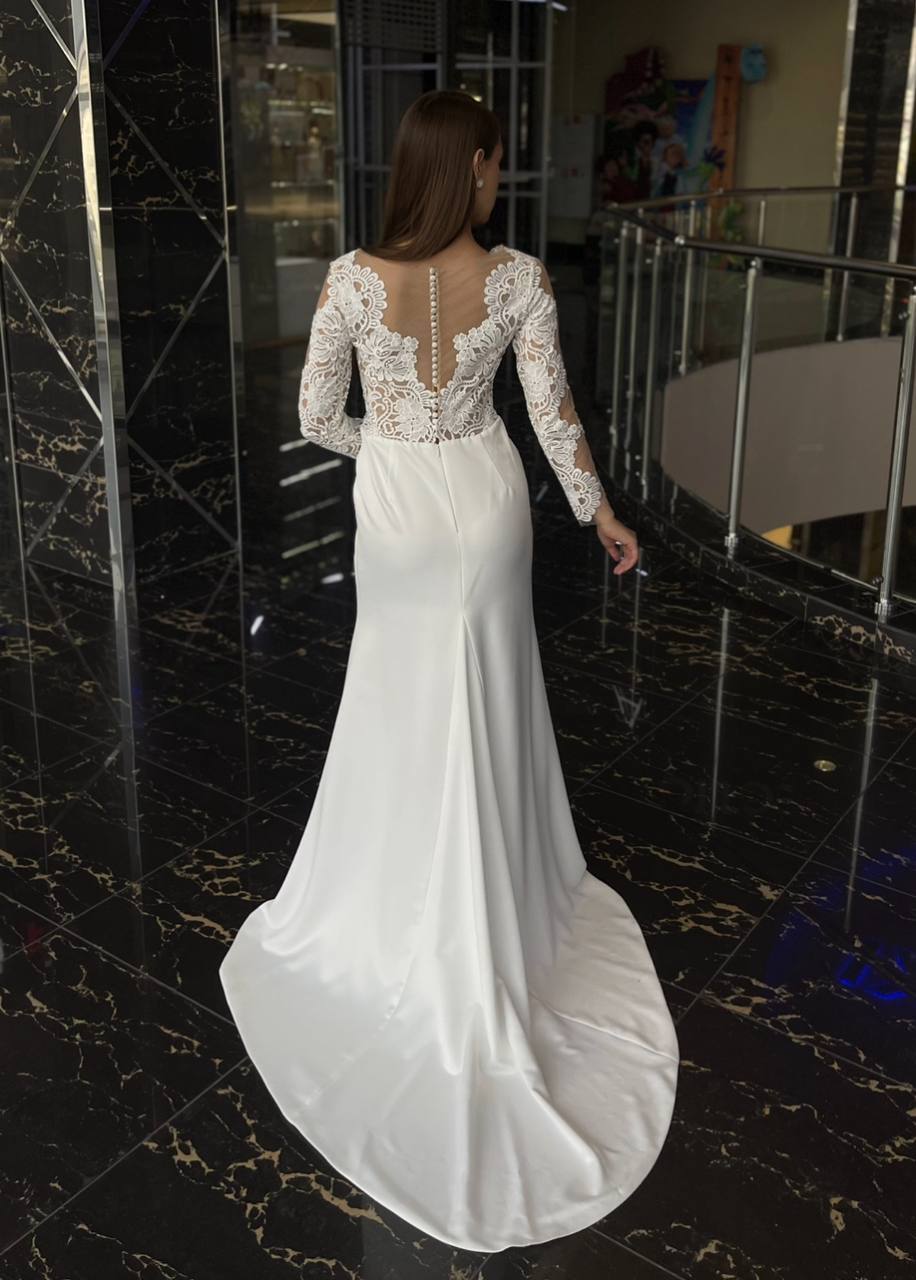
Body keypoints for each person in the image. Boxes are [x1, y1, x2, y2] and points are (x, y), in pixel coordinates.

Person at [220, 89, 679, 1253]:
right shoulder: (519, 277)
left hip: (400, 517)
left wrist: (388, 442)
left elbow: (315, 414)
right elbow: (553, 415)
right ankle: (496, 903)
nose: (499, 179)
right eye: (493, 164)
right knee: (492, 700)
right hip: (486, 499)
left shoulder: (349, 278)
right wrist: (598, 512)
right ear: (467, 166)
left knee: (396, 703)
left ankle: (391, 896)